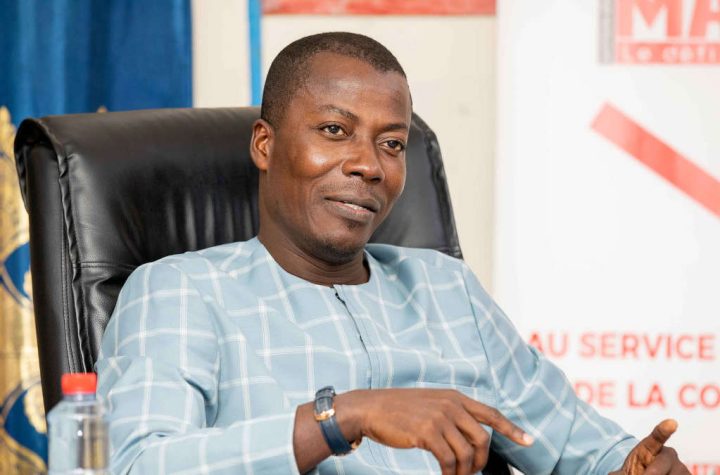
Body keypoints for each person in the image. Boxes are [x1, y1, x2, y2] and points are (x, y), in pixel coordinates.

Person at [96, 32, 688, 475]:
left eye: (392, 143)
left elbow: (580, 449)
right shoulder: (180, 290)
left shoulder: (446, 289)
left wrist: (633, 465)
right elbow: (137, 464)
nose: (369, 165)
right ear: (265, 144)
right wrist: (343, 417)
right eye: (335, 130)